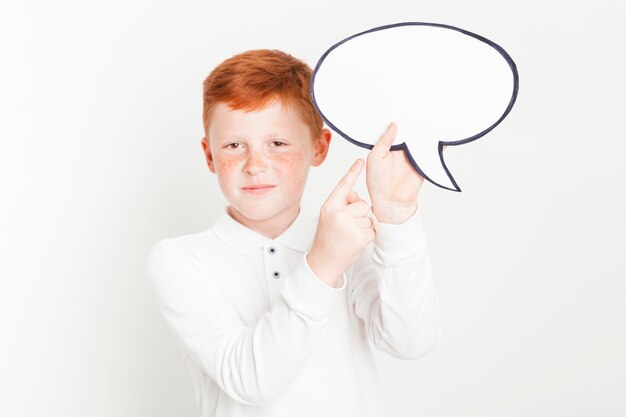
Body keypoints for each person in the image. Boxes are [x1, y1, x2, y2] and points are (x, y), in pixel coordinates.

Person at [146, 49, 440, 417]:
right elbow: (251, 380)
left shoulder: (349, 241)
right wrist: (322, 264)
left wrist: (396, 217)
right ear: (209, 155)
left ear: (319, 148)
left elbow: (410, 342)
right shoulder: (181, 260)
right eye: (234, 146)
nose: (255, 165)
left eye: (278, 144)